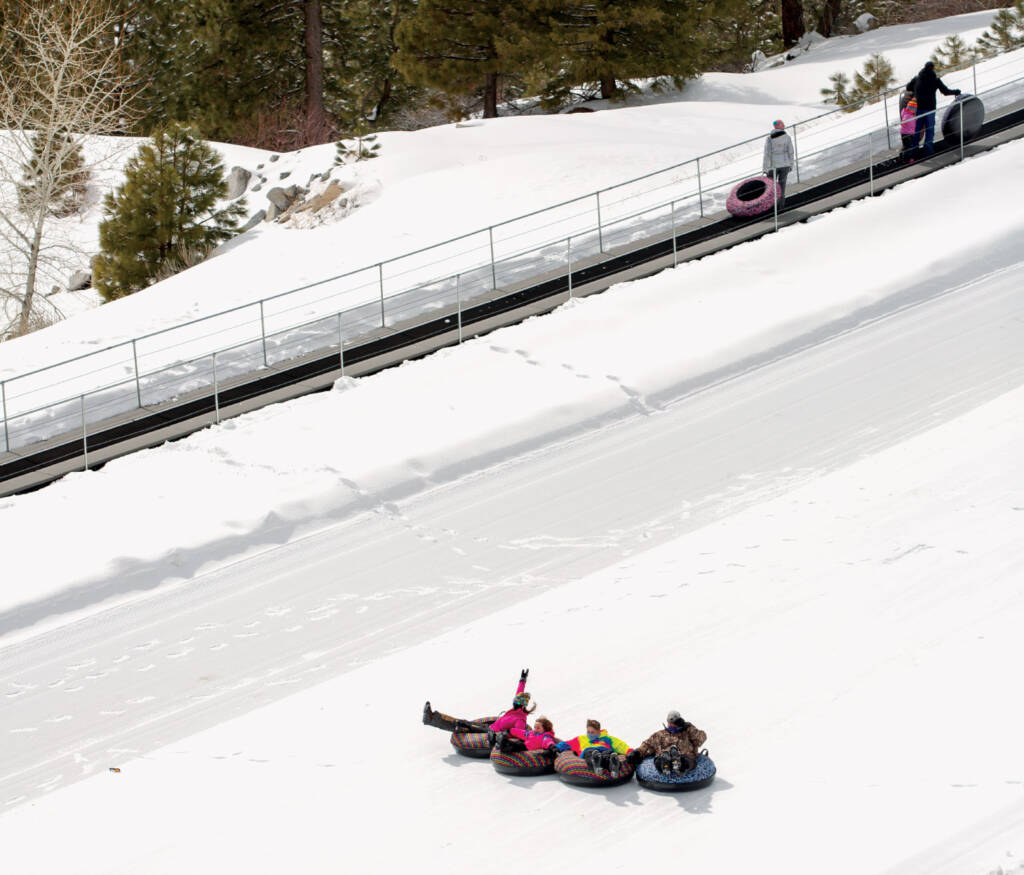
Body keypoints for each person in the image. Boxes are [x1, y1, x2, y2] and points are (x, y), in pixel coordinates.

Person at [422, 668, 535, 736]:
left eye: (515, 702)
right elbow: (519, 693)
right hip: (489, 727)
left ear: (520, 705)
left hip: (489, 734)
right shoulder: (516, 711)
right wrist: (522, 680)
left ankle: (431, 719)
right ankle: (432, 717)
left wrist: (504, 734)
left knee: (462, 725)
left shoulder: (520, 720)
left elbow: (518, 733)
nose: (513, 703)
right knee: (464, 722)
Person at [625, 710, 707, 775]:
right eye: (670, 723)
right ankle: (665, 763)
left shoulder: (687, 732)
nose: (672, 725)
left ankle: (678, 762)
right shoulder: (659, 735)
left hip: (685, 756)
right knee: (660, 759)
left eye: (674, 723)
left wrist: (689, 727)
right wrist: (637, 752)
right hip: (663, 755)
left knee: (685, 761)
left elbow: (701, 739)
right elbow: (647, 745)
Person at [909, 60, 961, 158]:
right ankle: (928, 152)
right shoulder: (935, 80)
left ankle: (913, 153)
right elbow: (945, 91)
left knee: (917, 131)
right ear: (932, 69)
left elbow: (909, 87)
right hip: (930, 109)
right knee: (929, 131)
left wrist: (916, 92)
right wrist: (956, 92)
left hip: (919, 109)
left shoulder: (917, 78)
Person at [553, 718, 634, 777]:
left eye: (593, 732)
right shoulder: (581, 739)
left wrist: (630, 752)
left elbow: (621, 745)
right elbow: (568, 743)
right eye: (588, 732)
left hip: (604, 751)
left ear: (599, 731)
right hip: (590, 752)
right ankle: (596, 764)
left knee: (608, 754)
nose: (590, 734)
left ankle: (613, 766)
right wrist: (556, 747)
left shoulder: (608, 738)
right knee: (591, 753)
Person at [762, 119, 795, 208]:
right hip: (785, 165)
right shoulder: (787, 137)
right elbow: (791, 152)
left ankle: (772, 206)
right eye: (783, 124)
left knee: (771, 187)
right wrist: (791, 164)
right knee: (782, 186)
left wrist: (765, 168)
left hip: (773, 166)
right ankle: (781, 206)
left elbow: (767, 154)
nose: (784, 125)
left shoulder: (769, 139)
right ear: (780, 126)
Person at [899, 97, 920, 163]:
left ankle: (902, 157)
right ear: (912, 109)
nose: (915, 111)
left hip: (909, 133)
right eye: (914, 109)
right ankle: (906, 159)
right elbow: (903, 121)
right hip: (906, 133)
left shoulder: (911, 114)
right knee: (908, 147)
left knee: (906, 146)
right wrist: (904, 122)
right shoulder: (907, 115)